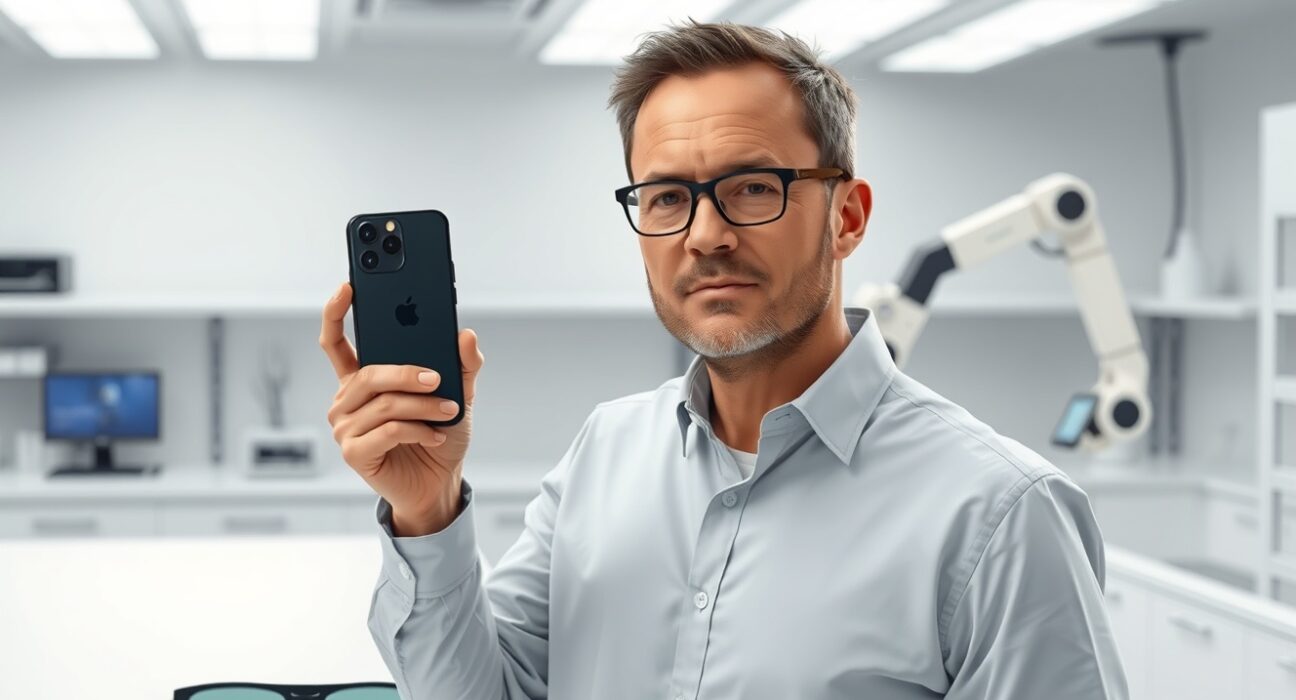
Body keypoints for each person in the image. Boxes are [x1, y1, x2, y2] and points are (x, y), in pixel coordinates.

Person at [318, 20, 1127, 700]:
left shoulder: (1003, 516)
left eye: (750, 187)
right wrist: (427, 510)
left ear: (846, 215)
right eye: (667, 197)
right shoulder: (606, 452)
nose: (705, 235)